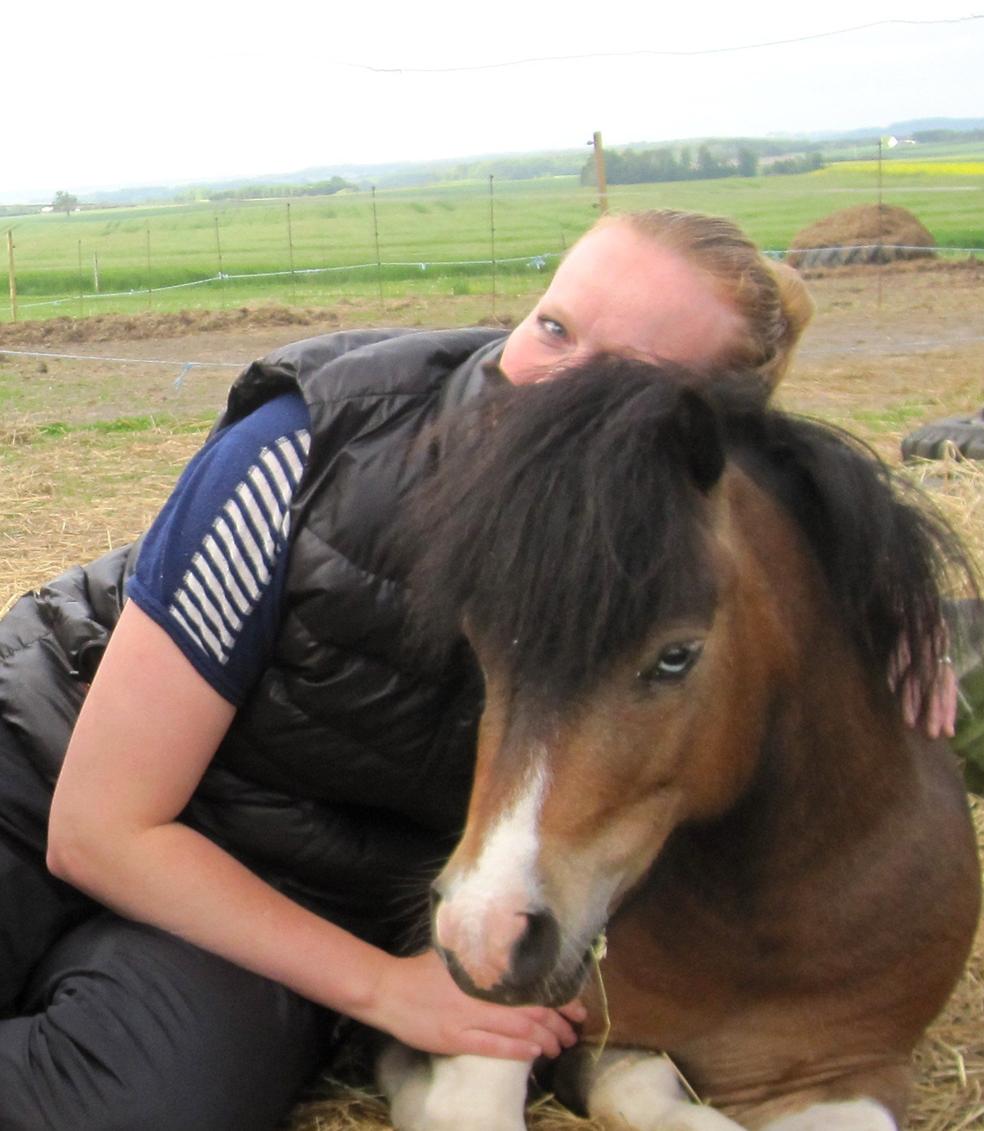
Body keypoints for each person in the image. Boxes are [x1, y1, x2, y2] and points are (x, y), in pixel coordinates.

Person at [0, 209, 821, 1131]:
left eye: (619, 377)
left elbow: (816, 590)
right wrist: (388, 988)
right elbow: (99, 825)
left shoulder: (673, 576)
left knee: (137, 1111)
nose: (547, 382)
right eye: (553, 326)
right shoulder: (311, 447)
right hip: (48, 773)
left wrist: (915, 637)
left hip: (268, 902)